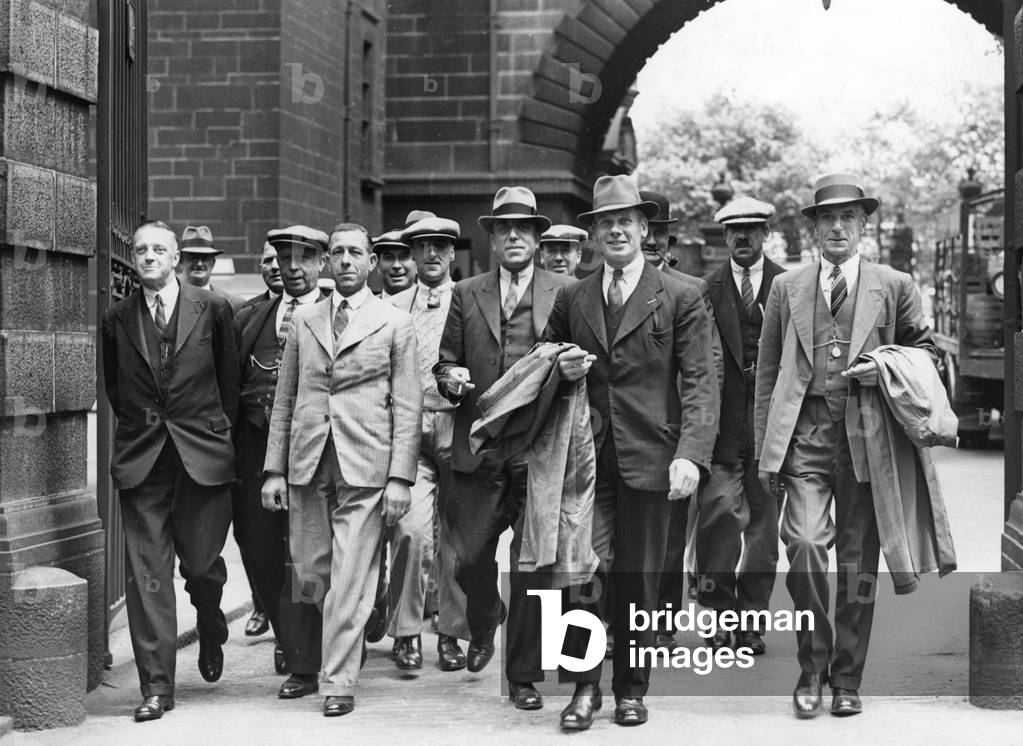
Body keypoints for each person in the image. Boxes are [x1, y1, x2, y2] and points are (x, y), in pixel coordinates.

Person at [755, 173, 938, 719]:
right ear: (812, 228)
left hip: (867, 441)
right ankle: (811, 667)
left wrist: (880, 365)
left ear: (863, 225)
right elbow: (767, 373)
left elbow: (925, 353)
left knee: (858, 563)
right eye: (826, 218)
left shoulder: (896, 284)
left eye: (847, 218)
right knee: (806, 545)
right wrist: (768, 451)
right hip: (805, 439)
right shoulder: (787, 288)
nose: (837, 227)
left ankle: (846, 678)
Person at [545, 175, 720, 730]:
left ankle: (630, 689)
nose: (616, 230)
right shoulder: (573, 295)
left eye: (626, 221)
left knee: (640, 581)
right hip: (586, 463)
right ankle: (583, 689)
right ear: (593, 234)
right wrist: (558, 366)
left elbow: (699, 381)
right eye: (605, 222)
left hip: (654, 458)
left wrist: (691, 454)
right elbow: (541, 355)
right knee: (582, 573)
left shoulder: (683, 294)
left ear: (645, 229)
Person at [261, 223, 421, 718]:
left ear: (371, 262)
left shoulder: (394, 322)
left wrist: (400, 478)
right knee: (310, 572)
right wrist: (273, 470)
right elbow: (285, 399)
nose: (346, 261)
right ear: (326, 262)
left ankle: (338, 680)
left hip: (366, 467)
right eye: (337, 253)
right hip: (308, 462)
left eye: (356, 253)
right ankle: (309, 660)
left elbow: (409, 406)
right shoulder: (305, 321)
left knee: (350, 576)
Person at [433, 186, 571, 711]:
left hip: (537, 447)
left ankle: (522, 675)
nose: (514, 237)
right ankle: (484, 617)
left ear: (538, 238)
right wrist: (452, 378)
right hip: (480, 447)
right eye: (504, 229)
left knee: (532, 565)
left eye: (524, 229)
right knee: (469, 559)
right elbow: (444, 362)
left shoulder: (567, 289)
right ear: (491, 238)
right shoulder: (466, 292)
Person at [100, 220, 239, 722]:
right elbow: (117, 390)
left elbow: (229, 384)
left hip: (202, 456)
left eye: (159, 249)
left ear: (177, 257)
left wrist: (213, 437)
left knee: (201, 566)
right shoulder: (117, 317)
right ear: (133, 260)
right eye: (140, 250)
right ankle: (157, 686)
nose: (149, 257)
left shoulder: (214, 308)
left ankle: (209, 617)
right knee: (147, 576)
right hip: (144, 463)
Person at [232, 226, 333, 697]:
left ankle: (304, 659)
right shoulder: (252, 318)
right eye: (285, 257)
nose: (292, 266)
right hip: (257, 451)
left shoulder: (339, 314)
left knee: (307, 557)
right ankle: (288, 633)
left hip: (316, 454)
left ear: (321, 263)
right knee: (260, 548)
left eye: (303, 258)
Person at [696, 197, 785, 654]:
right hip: (721, 431)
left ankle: (751, 621)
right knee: (718, 522)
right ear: (725, 237)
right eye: (735, 230)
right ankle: (717, 617)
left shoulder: (788, 286)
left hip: (771, 434)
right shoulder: (705, 289)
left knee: (764, 535)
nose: (744, 237)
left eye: (752, 228)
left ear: (766, 232)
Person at [385, 214, 471, 671]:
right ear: (412, 254)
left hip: (458, 430)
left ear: (453, 253)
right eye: (422, 247)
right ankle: (405, 631)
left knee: (456, 538)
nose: (431, 254)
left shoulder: (473, 298)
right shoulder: (392, 306)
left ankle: (452, 635)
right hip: (409, 434)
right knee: (411, 531)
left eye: (440, 246)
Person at [239, 238, 285, 636]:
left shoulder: (322, 309)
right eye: (268, 259)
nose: (276, 266)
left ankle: (300, 630)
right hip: (256, 440)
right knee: (258, 538)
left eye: (283, 259)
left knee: (303, 549)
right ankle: (272, 612)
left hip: (307, 447)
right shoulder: (248, 316)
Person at [178, 225, 245, 311]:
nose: (199, 263)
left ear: (213, 263)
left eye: (205, 257)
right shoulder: (168, 299)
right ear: (180, 261)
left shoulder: (233, 304)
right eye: (193, 257)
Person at [241, 241, 285, 312]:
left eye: (282, 259)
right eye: (268, 260)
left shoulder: (308, 308)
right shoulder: (248, 310)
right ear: (261, 265)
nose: (274, 266)